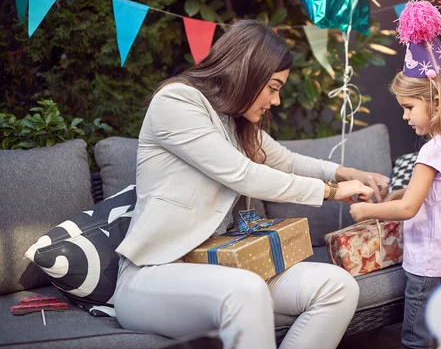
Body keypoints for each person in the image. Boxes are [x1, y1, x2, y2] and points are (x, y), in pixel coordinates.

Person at [113, 19, 390, 349]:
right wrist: (330, 192)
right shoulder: (177, 103)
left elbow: (287, 160)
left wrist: (346, 173)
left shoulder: (234, 122)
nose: (275, 101)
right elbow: (242, 174)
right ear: (247, 72)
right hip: (151, 275)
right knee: (246, 289)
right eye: (273, 87)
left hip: (220, 264)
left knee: (338, 285)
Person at [348, 1, 441, 349]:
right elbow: (434, 197)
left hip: (429, 268)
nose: (404, 116)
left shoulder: (432, 150)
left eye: (409, 107)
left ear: (438, 102)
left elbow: (408, 210)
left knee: (419, 340)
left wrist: (365, 212)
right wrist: (400, 193)